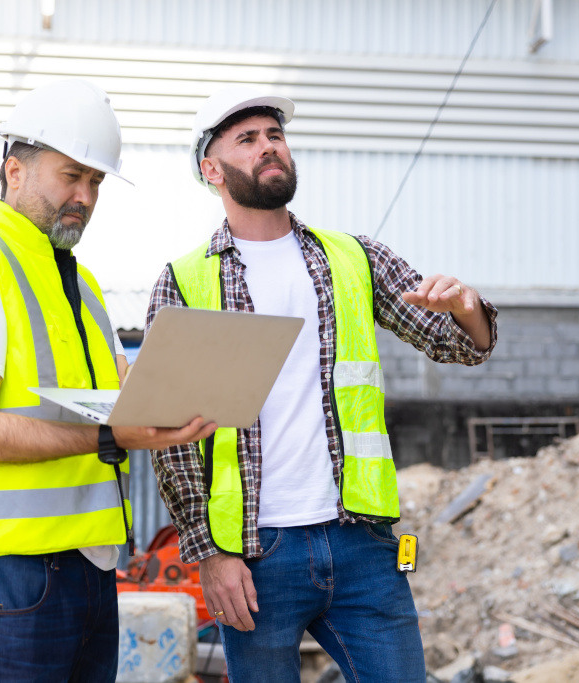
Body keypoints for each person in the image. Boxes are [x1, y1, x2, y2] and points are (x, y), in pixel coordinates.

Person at [147, 86, 498, 682]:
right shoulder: (187, 279)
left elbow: (462, 344)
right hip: (256, 555)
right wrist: (210, 553)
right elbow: (172, 436)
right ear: (212, 169)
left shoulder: (352, 258)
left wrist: (467, 308)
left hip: (362, 545)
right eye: (248, 139)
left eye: (275, 135)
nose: (268, 147)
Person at [0, 79, 215, 682]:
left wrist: (191, 398)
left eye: (96, 182)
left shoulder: (81, 285)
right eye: (71, 176)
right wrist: (114, 437)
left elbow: (124, 400)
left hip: (87, 566)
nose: (86, 197)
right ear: (13, 171)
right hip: (3, 571)